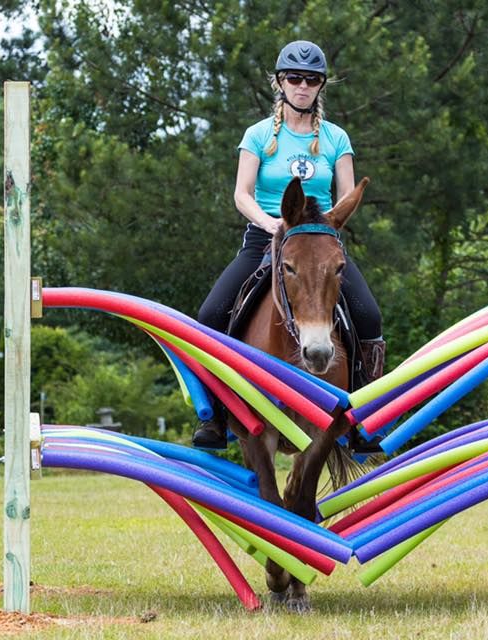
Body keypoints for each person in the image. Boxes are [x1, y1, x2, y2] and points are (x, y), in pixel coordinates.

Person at [193, 40, 384, 449]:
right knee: (210, 314)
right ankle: (215, 416)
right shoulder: (258, 135)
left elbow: (346, 194)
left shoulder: (336, 139)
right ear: (280, 83)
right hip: (266, 238)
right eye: (294, 78)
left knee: (368, 314)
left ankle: (365, 416)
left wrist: (328, 226)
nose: (302, 86)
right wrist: (271, 223)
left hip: (319, 242)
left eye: (311, 79)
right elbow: (241, 193)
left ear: (320, 86)